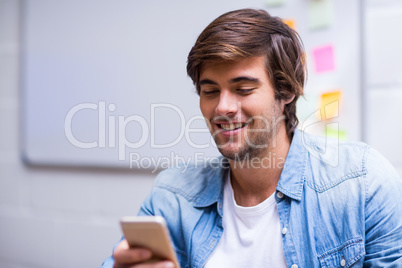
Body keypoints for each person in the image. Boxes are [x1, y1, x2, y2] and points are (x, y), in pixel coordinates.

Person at [102, 8, 402, 268]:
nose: (223, 107)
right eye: (210, 91)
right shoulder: (172, 197)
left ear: (286, 91)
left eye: (243, 89)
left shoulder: (362, 183)